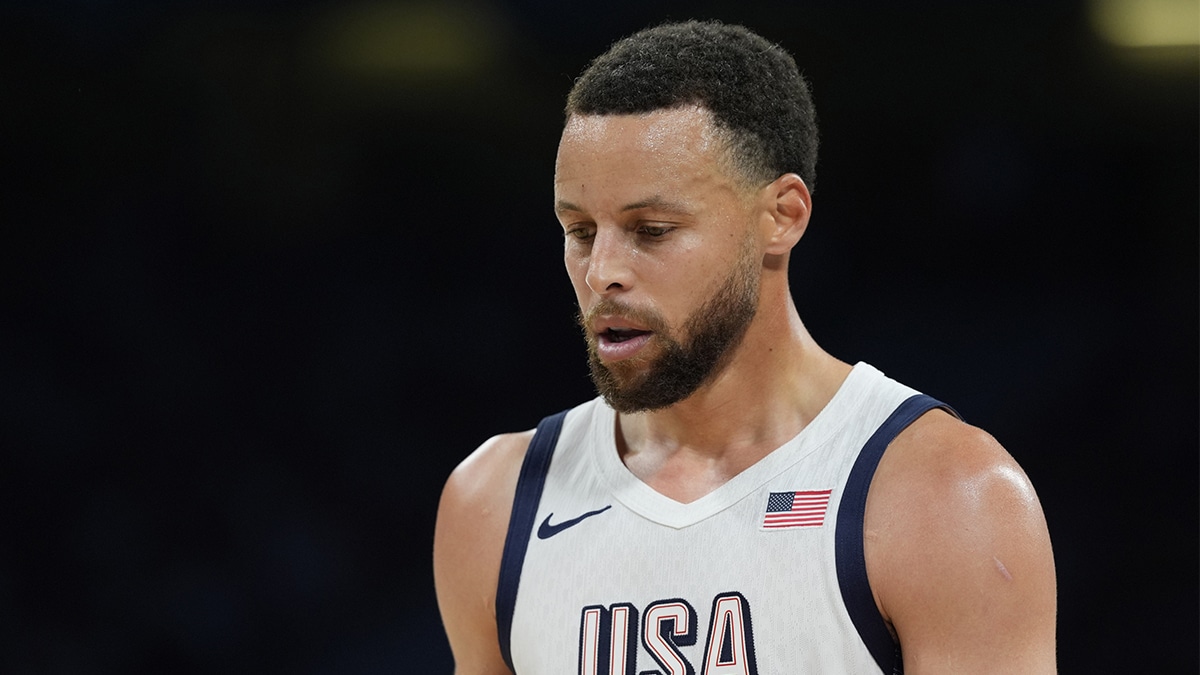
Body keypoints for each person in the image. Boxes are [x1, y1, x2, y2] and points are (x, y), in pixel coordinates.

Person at [434, 19, 1056, 674]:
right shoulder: (493, 502)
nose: (601, 272)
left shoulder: (944, 496)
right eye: (580, 230)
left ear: (782, 216)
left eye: (652, 229)